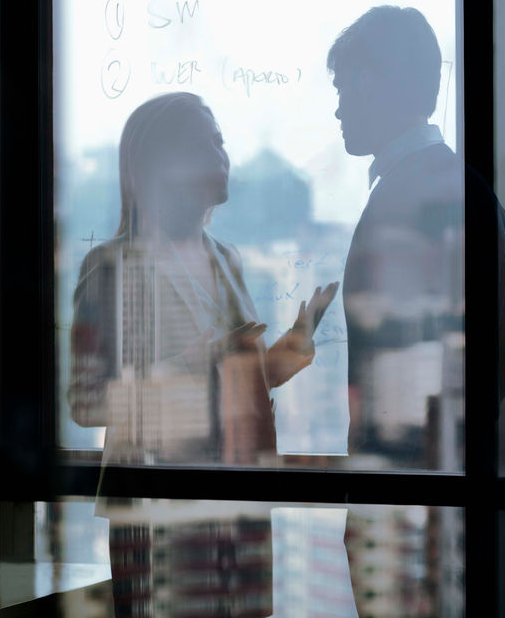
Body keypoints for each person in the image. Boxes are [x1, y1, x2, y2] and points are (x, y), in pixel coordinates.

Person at [67, 91, 337, 616]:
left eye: (220, 141)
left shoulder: (227, 260)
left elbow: (236, 380)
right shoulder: (112, 267)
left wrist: (291, 348)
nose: (221, 155)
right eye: (202, 144)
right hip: (158, 506)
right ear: (162, 167)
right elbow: (85, 403)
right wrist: (196, 361)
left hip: (238, 499)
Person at [328, 6, 505, 470]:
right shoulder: (467, 187)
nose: (337, 109)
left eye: (341, 89)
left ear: (367, 85)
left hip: (409, 496)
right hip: (445, 484)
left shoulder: (407, 199)